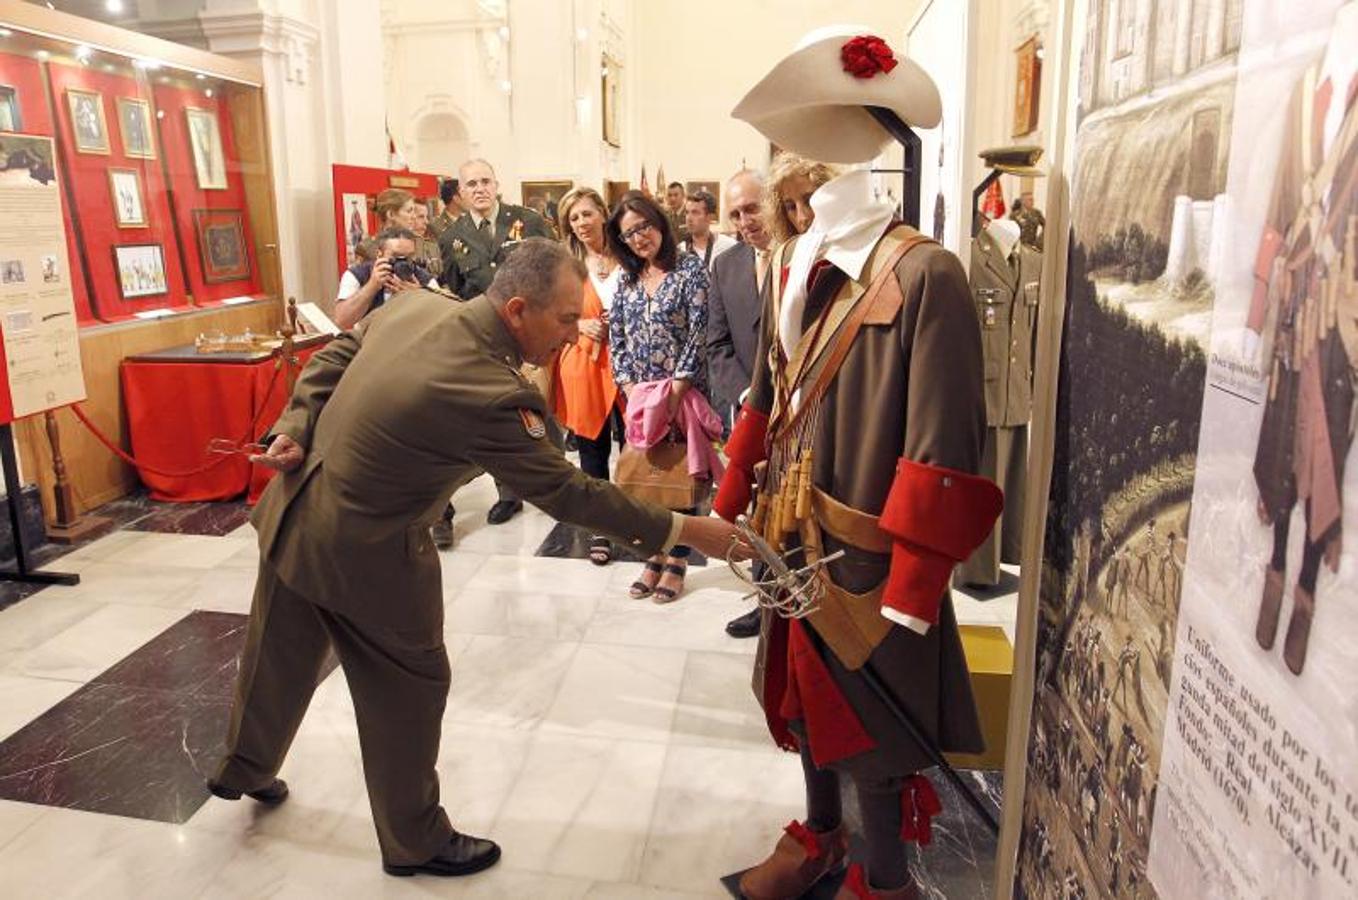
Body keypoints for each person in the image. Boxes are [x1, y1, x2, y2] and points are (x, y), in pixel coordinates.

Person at [208, 238, 752, 879]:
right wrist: (687, 529)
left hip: (297, 511)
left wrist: (292, 429)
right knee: (408, 691)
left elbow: (340, 350)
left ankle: (243, 770)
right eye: (562, 321)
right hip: (372, 553)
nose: (575, 337)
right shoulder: (494, 393)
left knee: (277, 655)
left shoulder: (420, 308)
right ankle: (413, 840)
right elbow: (569, 492)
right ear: (517, 309)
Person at [721, 30, 1001, 899]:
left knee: (876, 728)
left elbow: (943, 442)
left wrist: (917, 586)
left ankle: (882, 882)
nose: (796, 191)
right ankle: (820, 840)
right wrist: (734, 492)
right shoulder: (783, 265)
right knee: (803, 699)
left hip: (871, 549)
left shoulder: (926, 276)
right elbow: (766, 387)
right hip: (787, 531)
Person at [607, 190, 711, 602]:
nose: (638, 238)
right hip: (638, 398)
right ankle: (653, 555)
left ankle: (678, 561)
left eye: (644, 226)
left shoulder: (690, 270)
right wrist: (630, 388)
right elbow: (616, 336)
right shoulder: (627, 279)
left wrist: (674, 391)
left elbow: (699, 332)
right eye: (628, 233)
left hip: (680, 395)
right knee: (646, 479)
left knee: (676, 478)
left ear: (660, 223)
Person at [438, 157, 554, 525]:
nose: (480, 189)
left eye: (485, 181)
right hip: (483, 337)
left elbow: (553, 273)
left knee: (533, 411)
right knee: (492, 412)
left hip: (528, 333)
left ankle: (547, 480)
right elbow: (453, 291)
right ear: (461, 192)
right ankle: (507, 492)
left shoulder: (529, 222)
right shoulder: (452, 237)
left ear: (497, 184)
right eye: (471, 184)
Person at [553, 186, 624, 564]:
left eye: (586, 213)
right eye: (573, 218)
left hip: (630, 362)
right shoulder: (564, 261)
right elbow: (547, 310)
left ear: (602, 212)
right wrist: (580, 324)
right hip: (582, 362)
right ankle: (600, 526)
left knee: (636, 444)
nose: (581, 223)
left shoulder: (628, 251)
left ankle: (635, 518)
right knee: (592, 449)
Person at [333, 227, 439, 331]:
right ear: (379, 254)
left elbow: (440, 321)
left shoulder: (424, 279)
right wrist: (372, 286)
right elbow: (342, 321)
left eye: (409, 257)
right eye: (396, 256)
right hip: (369, 342)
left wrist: (418, 297)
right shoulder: (357, 275)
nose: (403, 263)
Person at [678, 190, 737, 270]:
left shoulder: (729, 247)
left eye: (695, 213)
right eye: (687, 212)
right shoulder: (680, 250)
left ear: (710, 217)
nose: (689, 218)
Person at [410, 202, 444, 280]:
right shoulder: (397, 248)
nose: (426, 222)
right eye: (421, 217)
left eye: (427, 217)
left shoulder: (433, 247)